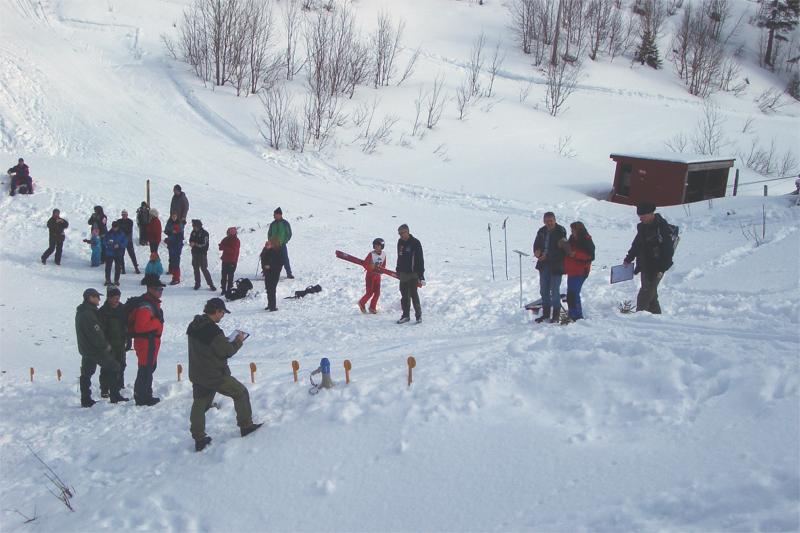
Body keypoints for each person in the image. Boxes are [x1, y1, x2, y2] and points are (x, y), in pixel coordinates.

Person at [187, 297, 262, 452]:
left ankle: (199, 439)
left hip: (197, 372)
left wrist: (222, 341)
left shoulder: (194, 325)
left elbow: (210, 346)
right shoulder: (213, 331)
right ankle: (246, 426)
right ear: (217, 311)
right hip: (214, 374)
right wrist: (238, 341)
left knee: (199, 403)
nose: (222, 316)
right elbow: (226, 351)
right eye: (222, 313)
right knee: (241, 392)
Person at [75, 288, 126, 407]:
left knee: (86, 373)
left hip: (86, 349)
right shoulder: (89, 314)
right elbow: (96, 333)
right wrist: (105, 346)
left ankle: (86, 399)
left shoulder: (83, 311)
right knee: (114, 366)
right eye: (97, 297)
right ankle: (114, 396)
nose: (99, 299)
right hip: (94, 350)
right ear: (90, 298)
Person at [623, 202, 675, 314]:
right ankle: (656, 318)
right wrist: (628, 259)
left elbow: (668, 251)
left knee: (645, 295)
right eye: (639, 216)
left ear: (651, 214)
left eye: (643, 216)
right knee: (651, 295)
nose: (640, 219)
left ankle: (639, 318)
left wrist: (661, 269)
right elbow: (636, 245)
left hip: (657, 268)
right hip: (645, 265)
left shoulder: (662, 228)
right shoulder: (643, 227)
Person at [130, 275, 165, 406]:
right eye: (158, 289)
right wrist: (157, 322)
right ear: (150, 289)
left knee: (148, 368)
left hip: (150, 342)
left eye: (161, 289)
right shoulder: (146, 306)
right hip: (146, 342)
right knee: (145, 369)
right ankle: (143, 397)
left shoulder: (151, 303)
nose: (160, 292)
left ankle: (144, 394)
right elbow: (140, 326)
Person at [533, 212, 568, 324]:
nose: (549, 223)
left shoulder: (560, 231)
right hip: (543, 265)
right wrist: (537, 252)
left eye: (551, 221)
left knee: (555, 290)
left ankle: (556, 315)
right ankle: (546, 313)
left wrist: (547, 255)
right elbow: (536, 244)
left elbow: (562, 250)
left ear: (555, 220)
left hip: (556, 265)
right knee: (544, 290)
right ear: (544, 221)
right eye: (547, 221)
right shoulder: (541, 231)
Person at [99, 287, 129, 399]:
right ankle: (104, 389)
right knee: (107, 367)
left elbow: (127, 325)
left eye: (118, 297)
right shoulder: (103, 311)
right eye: (115, 298)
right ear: (109, 298)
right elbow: (100, 331)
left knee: (121, 365)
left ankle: (119, 387)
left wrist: (129, 339)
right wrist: (104, 344)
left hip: (120, 343)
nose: (117, 300)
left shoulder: (122, 309)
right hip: (108, 345)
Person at [563, 222, 595, 322]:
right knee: (571, 294)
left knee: (574, 294)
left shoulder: (586, 240)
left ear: (579, 230)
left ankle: (577, 316)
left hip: (580, 271)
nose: (572, 232)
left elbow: (590, 256)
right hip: (572, 270)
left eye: (573, 230)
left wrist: (575, 254)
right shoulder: (572, 238)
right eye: (571, 230)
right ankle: (573, 314)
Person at [395, 224, 425, 324]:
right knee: (404, 296)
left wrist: (421, 275)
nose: (401, 235)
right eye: (399, 234)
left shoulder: (415, 242)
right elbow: (399, 256)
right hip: (403, 273)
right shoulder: (400, 242)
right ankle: (405, 315)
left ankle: (418, 316)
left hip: (413, 273)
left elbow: (420, 259)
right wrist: (398, 269)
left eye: (402, 233)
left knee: (414, 294)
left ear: (407, 232)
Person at [358, 238, 387, 314]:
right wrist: (370, 266)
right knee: (369, 293)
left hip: (378, 276)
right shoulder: (371, 254)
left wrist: (382, 270)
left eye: (378, 246)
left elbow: (383, 265)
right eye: (375, 246)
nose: (376, 247)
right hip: (370, 276)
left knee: (377, 293)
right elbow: (365, 264)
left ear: (382, 246)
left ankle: (372, 307)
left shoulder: (384, 254)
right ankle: (361, 302)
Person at [189, 219, 216, 291]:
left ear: (199, 226)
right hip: (194, 253)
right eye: (193, 226)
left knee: (204, 269)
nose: (193, 227)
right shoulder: (193, 232)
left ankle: (211, 284)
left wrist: (195, 244)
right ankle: (197, 283)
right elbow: (190, 239)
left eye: (194, 226)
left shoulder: (205, 233)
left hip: (202, 254)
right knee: (195, 268)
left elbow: (205, 244)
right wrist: (191, 243)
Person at [268, 207, 293, 279]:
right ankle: (269, 273)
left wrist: (284, 241)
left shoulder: (285, 223)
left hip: (282, 245)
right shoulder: (272, 224)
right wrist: (270, 241)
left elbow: (289, 234)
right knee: (272, 259)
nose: (274, 216)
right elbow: (269, 234)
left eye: (275, 214)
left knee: (285, 259)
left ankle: (289, 273)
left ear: (279, 215)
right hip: (273, 245)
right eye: (274, 215)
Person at [260, 238, 282, 311]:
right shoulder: (265, 250)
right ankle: (270, 304)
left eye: (269, 244)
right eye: (266, 244)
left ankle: (272, 306)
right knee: (268, 289)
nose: (267, 245)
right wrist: (264, 267)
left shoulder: (277, 251)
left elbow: (279, 264)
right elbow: (263, 260)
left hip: (274, 273)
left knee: (272, 289)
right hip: (267, 272)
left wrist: (270, 266)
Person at [103, 221, 128, 286]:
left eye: (115, 227)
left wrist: (119, 245)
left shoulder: (121, 233)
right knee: (108, 267)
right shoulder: (109, 233)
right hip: (109, 252)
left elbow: (125, 242)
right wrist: (109, 245)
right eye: (113, 227)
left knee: (118, 267)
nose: (114, 228)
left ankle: (116, 280)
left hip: (118, 252)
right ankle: (107, 280)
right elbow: (104, 241)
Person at [115, 210, 140, 274]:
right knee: (121, 255)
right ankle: (123, 269)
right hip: (122, 241)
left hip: (128, 240)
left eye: (125, 214)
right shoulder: (119, 221)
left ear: (127, 215)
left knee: (132, 254)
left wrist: (121, 229)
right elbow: (117, 230)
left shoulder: (130, 221)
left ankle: (136, 268)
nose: (124, 216)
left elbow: (128, 230)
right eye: (123, 214)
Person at [218, 227, 240, 296]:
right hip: (225, 260)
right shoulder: (226, 239)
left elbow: (233, 251)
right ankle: (223, 290)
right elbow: (220, 247)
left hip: (232, 261)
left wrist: (224, 247)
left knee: (230, 277)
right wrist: (222, 246)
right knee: (224, 276)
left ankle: (229, 290)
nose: (227, 234)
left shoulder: (236, 241)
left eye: (228, 232)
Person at [164, 213, 185, 285]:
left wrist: (176, 233)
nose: (174, 217)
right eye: (173, 216)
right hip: (171, 243)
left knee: (176, 260)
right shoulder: (169, 223)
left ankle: (176, 278)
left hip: (177, 244)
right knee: (171, 258)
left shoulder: (180, 223)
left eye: (175, 216)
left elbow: (181, 235)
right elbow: (166, 230)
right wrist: (170, 233)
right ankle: (171, 270)